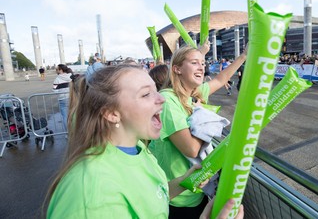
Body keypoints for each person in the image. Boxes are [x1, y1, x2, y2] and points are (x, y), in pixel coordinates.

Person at [44, 64, 243, 219]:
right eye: (146, 94)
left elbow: (152, 195)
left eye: (155, 90)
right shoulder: (91, 193)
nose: (162, 99)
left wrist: (184, 182)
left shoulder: (135, 147)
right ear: (112, 113)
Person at [149, 45, 247, 218]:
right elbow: (191, 149)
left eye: (203, 63)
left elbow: (220, 79)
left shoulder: (192, 93)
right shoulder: (168, 100)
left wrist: (244, 56)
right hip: (178, 200)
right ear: (177, 69)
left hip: (197, 192)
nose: (202, 67)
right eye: (195, 63)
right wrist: (202, 115)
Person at [52, 64, 73, 132]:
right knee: (73, 115)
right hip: (73, 97)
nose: (56, 71)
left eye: (57, 69)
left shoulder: (57, 79)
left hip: (63, 99)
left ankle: (68, 133)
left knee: (65, 117)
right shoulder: (71, 76)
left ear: (61, 70)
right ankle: (75, 132)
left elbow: (54, 90)